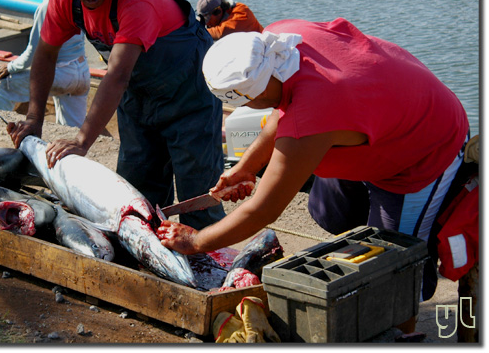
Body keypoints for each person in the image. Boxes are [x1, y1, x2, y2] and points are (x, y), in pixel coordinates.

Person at [157, 18, 469, 304]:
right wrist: (247, 167)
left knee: (393, 269)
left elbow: (263, 209)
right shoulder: (279, 41)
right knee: (329, 210)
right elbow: (290, 108)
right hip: (381, 111)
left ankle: (404, 318)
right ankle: (368, 251)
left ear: (256, 89)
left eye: (246, 100)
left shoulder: (313, 115)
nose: (250, 106)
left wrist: (196, 240)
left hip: (425, 150)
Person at [7, 0, 225, 230]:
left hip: (190, 92)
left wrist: (83, 140)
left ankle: (211, 266)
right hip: (138, 95)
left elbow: (117, 75)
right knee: (138, 196)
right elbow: (45, 56)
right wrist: (33, 118)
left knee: (197, 196)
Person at [0, 0, 90, 128]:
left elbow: (33, 53)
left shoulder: (48, 4)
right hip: (82, 73)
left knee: (2, 85)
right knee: (71, 130)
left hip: (60, 74)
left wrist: (9, 67)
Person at [196, 0, 264, 40]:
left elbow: (222, 32)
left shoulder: (241, 12)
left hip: (262, 52)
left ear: (218, 11)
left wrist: (197, 31)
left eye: (208, 20)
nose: (207, 24)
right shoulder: (219, 18)